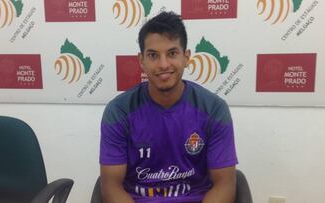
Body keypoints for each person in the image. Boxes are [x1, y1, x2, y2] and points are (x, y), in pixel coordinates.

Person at [99, 11, 238, 203]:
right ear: (142, 61)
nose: (163, 64)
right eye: (153, 55)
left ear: (186, 57)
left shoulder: (214, 109)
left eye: (172, 53)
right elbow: (110, 186)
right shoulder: (118, 111)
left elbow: (225, 184)